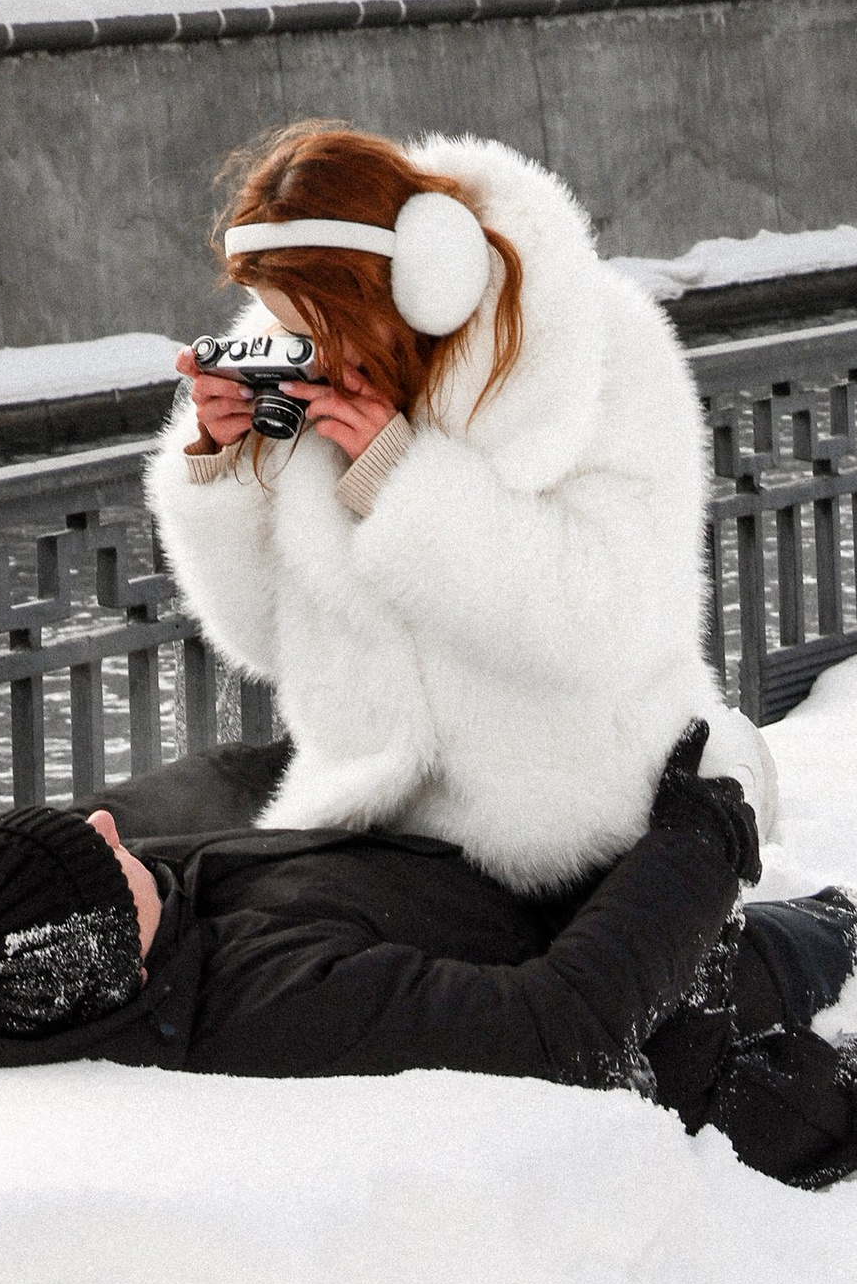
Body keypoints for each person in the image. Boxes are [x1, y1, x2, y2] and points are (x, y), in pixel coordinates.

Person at [0, 726, 857, 1186]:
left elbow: (240, 796)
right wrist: (698, 843)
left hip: (564, 907)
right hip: (667, 1007)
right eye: (97, 857)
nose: (112, 829)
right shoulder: (273, 999)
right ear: (96, 948)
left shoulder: (51, 957)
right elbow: (565, 1029)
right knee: (838, 938)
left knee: (833, 922)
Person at [148, 122, 775, 896]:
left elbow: (613, 616)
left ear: (426, 273)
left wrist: (399, 483)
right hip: (369, 812)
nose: (319, 355)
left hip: (568, 822)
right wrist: (222, 464)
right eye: (293, 328)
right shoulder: (301, 366)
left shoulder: (595, 348)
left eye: (331, 329)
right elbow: (262, 639)